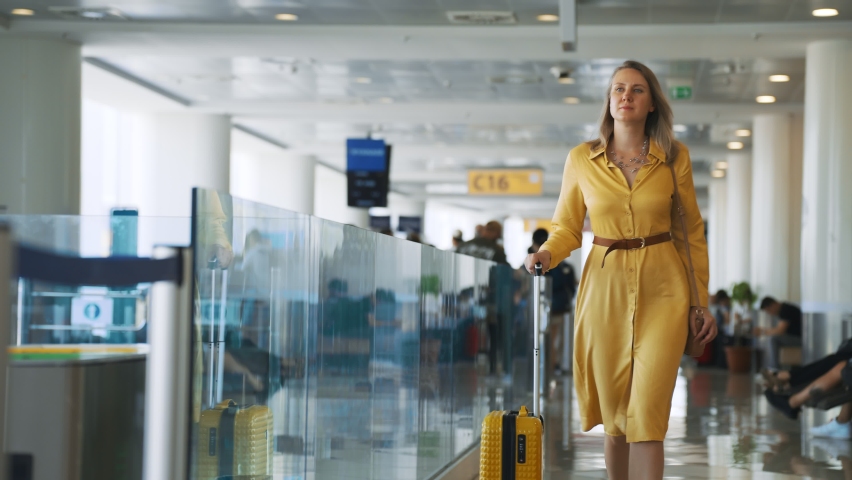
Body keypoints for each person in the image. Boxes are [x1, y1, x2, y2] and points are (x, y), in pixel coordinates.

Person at [524, 60, 717, 480]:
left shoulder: (674, 157)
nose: (626, 96)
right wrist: (546, 253)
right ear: (609, 101)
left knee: (647, 413)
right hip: (604, 288)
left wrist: (700, 301)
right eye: (618, 89)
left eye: (636, 90)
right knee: (615, 416)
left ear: (651, 104)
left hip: (664, 288)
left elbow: (691, 233)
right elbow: (567, 228)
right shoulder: (582, 158)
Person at [531, 228, 577, 377]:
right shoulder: (563, 266)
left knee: (549, 339)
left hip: (548, 308)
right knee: (555, 340)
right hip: (559, 307)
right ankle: (552, 366)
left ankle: (549, 367)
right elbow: (570, 287)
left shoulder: (532, 263)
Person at [756, 296, 803, 369]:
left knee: (773, 339)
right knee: (772, 338)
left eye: (768, 310)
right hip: (795, 338)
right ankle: (779, 368)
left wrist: (763, 331)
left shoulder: (786, 309)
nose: (770, 313)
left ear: (773, 305)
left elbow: (780, 331)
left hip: (800, 339)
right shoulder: (783, 310)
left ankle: (775, 369)